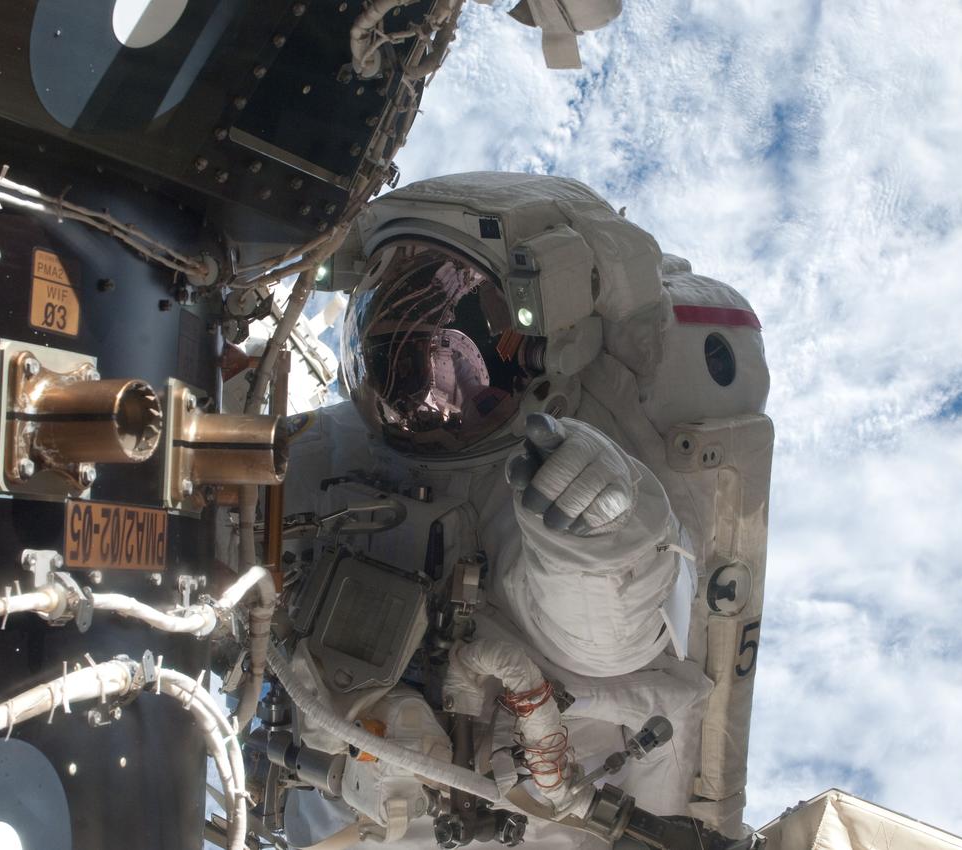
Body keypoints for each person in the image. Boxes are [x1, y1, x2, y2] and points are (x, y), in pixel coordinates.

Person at [280, 172, 771, 847]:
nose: (420, 379)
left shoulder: (538, 476)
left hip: (514, 798)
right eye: (395, 326)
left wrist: (600, 540)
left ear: (553, 356)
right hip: (352, 793)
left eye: (457, 351)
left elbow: (603, 642)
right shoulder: (327, 450)